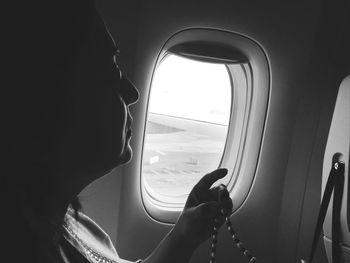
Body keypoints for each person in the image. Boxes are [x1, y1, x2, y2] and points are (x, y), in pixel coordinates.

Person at [5, 0, 233, 262]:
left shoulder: (68, 223)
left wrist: (184, 235)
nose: (133, 94)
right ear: (47, 101)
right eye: (111, 71)